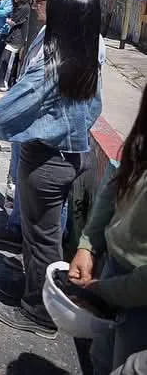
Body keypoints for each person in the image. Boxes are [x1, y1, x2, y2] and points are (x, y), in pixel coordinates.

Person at [0, 0, 103, 338]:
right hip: (72, 155)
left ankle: (39, 311)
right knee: (43, 234)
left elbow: (8, 112)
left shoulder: (52, 64)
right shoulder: (88, 56)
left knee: (41, 238)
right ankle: (32, 287)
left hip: (46, 161)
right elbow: (92, 111)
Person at [0, 0, 81, 252]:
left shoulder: (64, 46)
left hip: (48, 142)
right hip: (36, 135)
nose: (34, 5)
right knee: (31, 201)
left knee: (44, 226)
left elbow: (35, 90)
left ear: (59, 3)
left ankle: (34, 280)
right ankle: (18, 229)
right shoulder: (52, 32)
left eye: (40, 0)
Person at [69, 83, 147, 375]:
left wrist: (101, 292)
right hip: (115, 272)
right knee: (101, 358)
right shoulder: (141, 139)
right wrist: (87, 246)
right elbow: (115, 183)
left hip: (138, 298)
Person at [0, 0, 31, 92]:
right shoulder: (19, 6)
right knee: (6, 60)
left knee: (7, 60)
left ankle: (5, 83)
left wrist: (7, 20)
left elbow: (13, 22)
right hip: (13, 36)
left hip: (17, 38)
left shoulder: (24, 8)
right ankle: (3, 82)